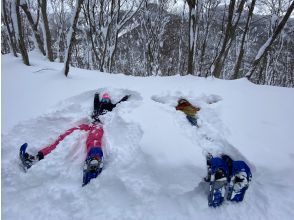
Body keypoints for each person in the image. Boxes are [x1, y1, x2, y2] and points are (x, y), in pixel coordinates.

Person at [21, 92, 129, 186]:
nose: (105, 100)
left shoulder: (110, 107)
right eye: (104, 99)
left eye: (107, 99)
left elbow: (119, 104)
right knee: (67, 134)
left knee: (94, 137)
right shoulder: (98, 106)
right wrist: (96, 95)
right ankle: (37, 157)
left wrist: (125, 98)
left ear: (109, 101)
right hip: (89, 124)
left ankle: (94, 159)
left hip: (99, 125)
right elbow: (96, 103)